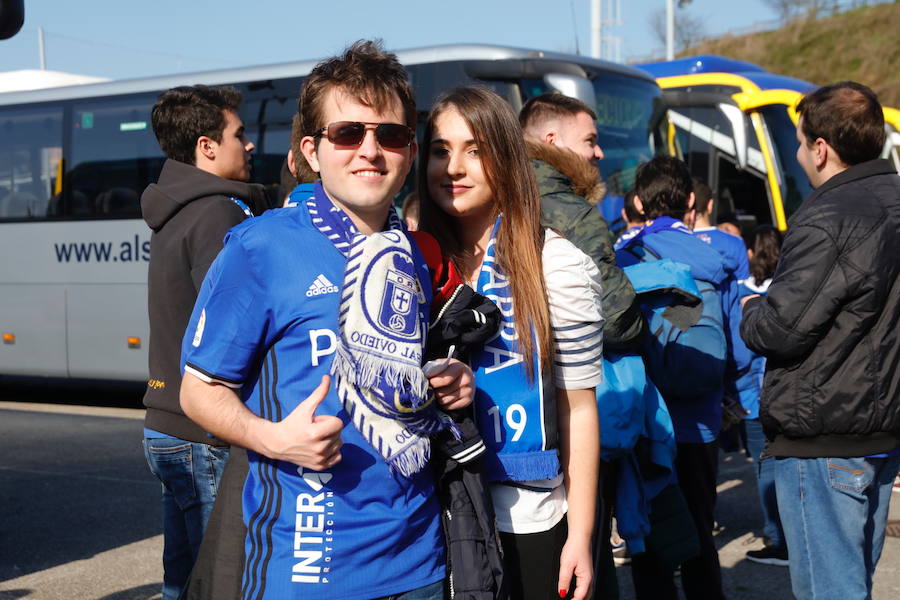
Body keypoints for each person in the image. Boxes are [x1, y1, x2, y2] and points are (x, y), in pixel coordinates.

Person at [179, 41, 477, 600]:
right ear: (313, 151)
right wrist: (273, 439)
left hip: (420, 561)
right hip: (309, 568)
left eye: (389, 135)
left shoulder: (415, 253)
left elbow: (404, 379)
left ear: (409, 154)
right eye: (348, 133)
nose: (370, 150)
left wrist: (450, 385)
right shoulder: (261, 246)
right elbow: (200, 390)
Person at [418, 86, 602, 600]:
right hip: (428, 516)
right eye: (440, 150)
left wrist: (581, 537)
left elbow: (579, 409)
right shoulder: (405, 258)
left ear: (505, 157)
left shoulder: (557, 263)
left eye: (475, 150)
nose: (454, 166)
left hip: (530, 520)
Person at [740, 81, 900, 600]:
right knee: (853, 583)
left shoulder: (829, 215)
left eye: (799, 140)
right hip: (880, 428)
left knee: (832, 591)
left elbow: (780, 329)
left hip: (825, 432)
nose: (796, 152)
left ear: (821, 149)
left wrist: (750, 309)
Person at [140, 84, 267, 600]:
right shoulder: (218, 212)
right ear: (207, 146)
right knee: (221, 582)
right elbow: (233, 325)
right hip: (204, 432)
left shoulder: (175, 209)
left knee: (183, 579)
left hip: (166, 425)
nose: (251, 144)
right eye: (239, 133)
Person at [616, 155, 731, 600]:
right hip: (702, 420)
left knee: (648, 531)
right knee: (702, 529)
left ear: (640, 203)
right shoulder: (718, 259)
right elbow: (736, 348)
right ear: (689, 199)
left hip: (648, 422)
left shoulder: (625, 257)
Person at [519, 92, 644, 352]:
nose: (599, 153)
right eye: (590, 141)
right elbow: (616, 323)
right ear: (552, 140)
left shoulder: (490, 197)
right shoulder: (577, 215)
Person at [738, 224, 788, 567]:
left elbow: (741, 350)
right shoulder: (790, 288)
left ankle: (777, 539)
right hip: (785, 393)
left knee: (765, 467)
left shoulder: (743, 293)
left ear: (752, 253)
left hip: (752, 398)